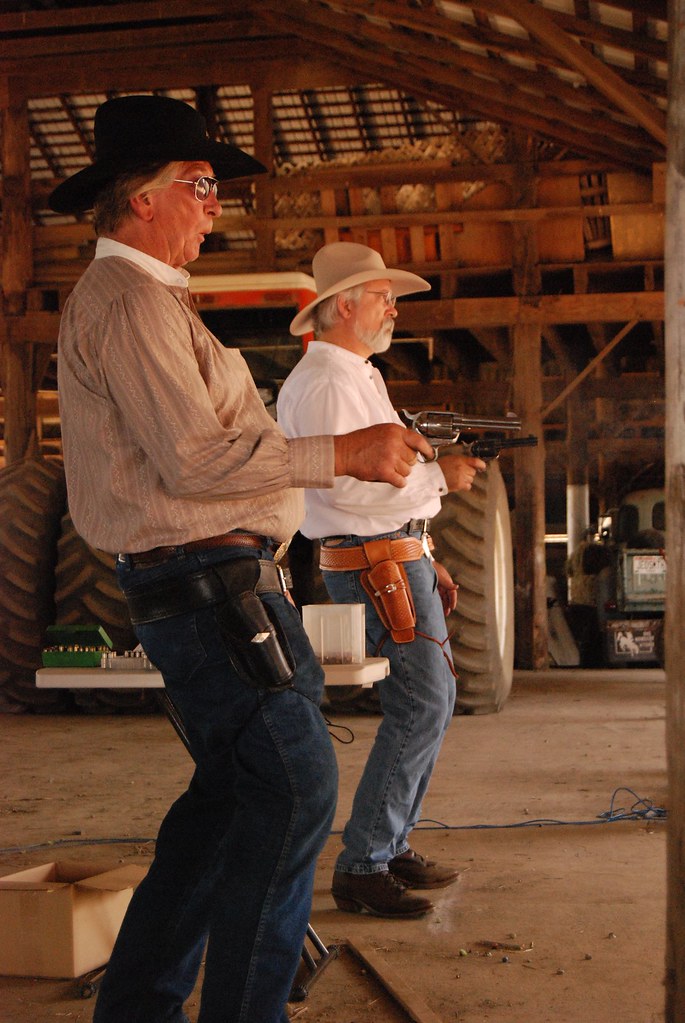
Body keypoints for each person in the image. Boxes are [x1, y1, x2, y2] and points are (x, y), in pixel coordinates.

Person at [49, 96, 434, 1023]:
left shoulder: (151, 300)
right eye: (202, 185)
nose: (215, 204)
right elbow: (192, 458)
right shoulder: (132, 301)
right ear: (141, 199)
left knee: (230, 800)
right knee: (297, 785)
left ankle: (139, 1004)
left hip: (216, 579)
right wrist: (342, 452)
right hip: (202, 581)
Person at [277, 241, 487, 919]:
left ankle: (388, 842)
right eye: (381, 294)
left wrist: (423, 544)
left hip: (391, 556)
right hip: (373, 560)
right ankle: (366, 859)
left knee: (429, 698)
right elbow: (350, 490)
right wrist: (439, 481)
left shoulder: (354, 374)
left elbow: (374, 487)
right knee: (421, 701)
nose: (392, 306)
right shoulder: (330, 382)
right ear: (343, 304)